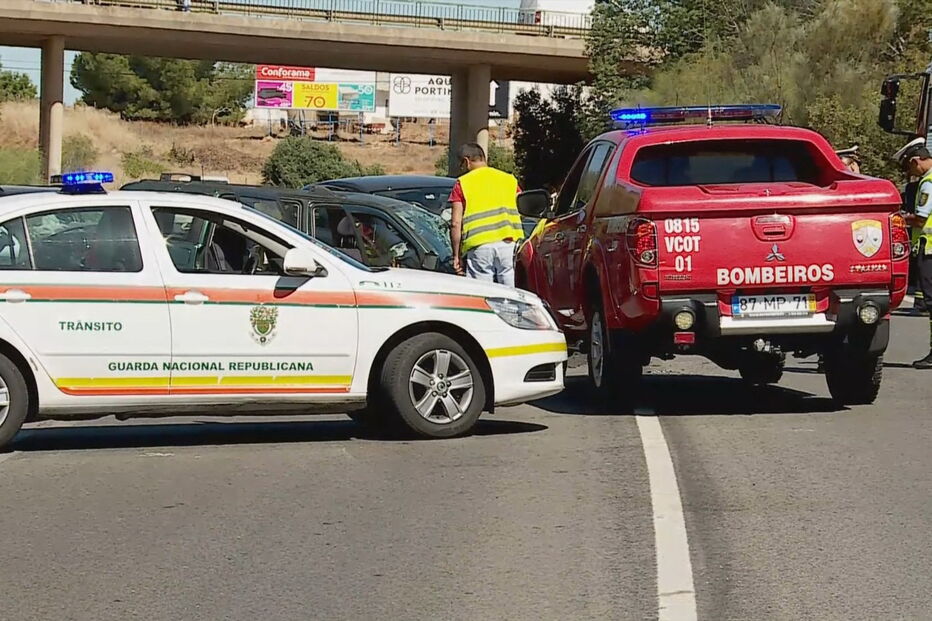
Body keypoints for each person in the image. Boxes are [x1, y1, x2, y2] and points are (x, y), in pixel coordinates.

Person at [448, 143, 524, 286]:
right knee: (509, 289)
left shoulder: (462, 183)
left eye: (461, 165)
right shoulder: (509, 179)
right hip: (508, 244)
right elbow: (522, 208)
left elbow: (455, 223)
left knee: (482, 291)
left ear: (466, 161)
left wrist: (456, 255)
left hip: (479, 246)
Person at [894, 137, 932, 369]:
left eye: (910, 166)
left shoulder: (928, 183)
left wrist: (900, 217)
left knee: (931, 302)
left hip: (929, 250)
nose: (911, 172)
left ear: (917, 160)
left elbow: (921, 218)